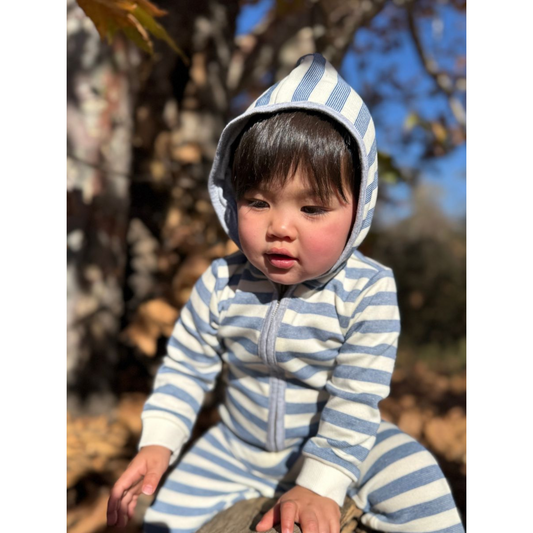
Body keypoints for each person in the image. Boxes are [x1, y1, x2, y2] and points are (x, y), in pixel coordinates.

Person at [107, 53, 464, 533]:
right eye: (258, 202)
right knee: (163, 521)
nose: (279, 227)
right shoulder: (222, 281)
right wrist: (159, 441)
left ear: (359, 210)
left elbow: (356, 395)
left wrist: (320, 482)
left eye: (312, 209)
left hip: (340, 442)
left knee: (419, 482)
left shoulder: (367, 289)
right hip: (235, 449)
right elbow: (187, 368)